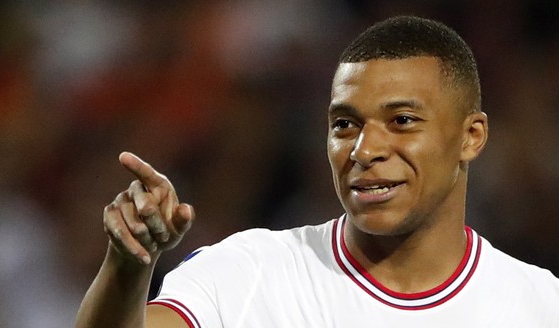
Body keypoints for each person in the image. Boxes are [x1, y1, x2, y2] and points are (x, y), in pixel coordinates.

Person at [75, 16, 559, 327]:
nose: (365, 149)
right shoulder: (251, 271)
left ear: (471, 137)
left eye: (402, 121)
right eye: (345, 124)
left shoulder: (540, 305)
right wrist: (128, 264)